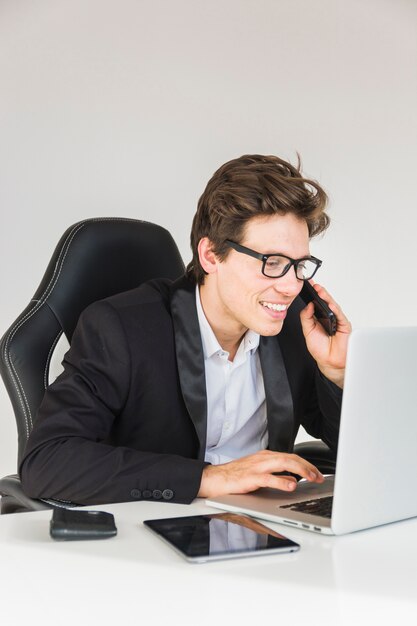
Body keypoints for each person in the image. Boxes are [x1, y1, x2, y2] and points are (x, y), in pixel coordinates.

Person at [19, 154, 351, 505]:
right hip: (153, 534)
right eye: (273, 263)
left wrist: (337, 375)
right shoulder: (119, 329)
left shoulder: (294, 326)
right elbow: (47, 461)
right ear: (210, 256)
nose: (290, 287)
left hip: (265, 524)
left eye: (299, 265)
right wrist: (206, 479)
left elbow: (358, 449)